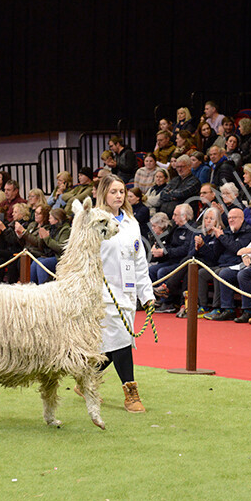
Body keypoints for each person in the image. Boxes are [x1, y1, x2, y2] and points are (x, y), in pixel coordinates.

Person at [95, 174, 155, 413]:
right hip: (104, 290)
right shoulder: (95, 220)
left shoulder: (131, 221)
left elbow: (139, 260)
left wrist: (146, 294)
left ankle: (87, 377)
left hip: (128, 290)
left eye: (121, 191)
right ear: (103, 193)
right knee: (121, 339)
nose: (118, 195)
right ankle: (130, 392)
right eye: (113, 191)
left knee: (116, 341)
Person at [27, 208, 71, 285]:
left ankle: (44, 290)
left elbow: (61, 248)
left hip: (59, 258)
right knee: (35, 262)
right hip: (49, 255)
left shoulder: (65, 230)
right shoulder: (52, 228)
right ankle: (31, 289)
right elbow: (42, 247)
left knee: (42, 264)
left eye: (50, 218)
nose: (49, 220)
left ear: (56, 220)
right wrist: (41, 238)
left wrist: (47, 238)